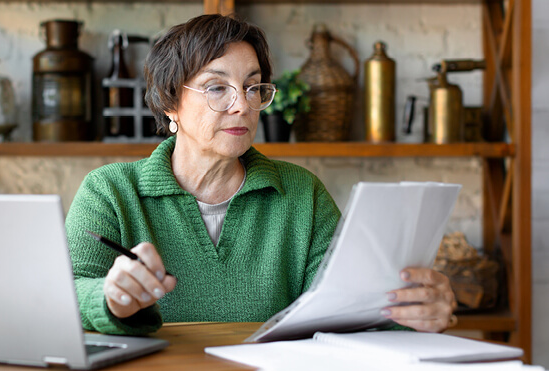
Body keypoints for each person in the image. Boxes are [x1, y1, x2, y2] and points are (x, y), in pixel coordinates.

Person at [65, 14, 456, 336]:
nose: (243, 106)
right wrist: (109, 297)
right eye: (217, 87)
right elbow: (65, 295)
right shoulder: (110, 191)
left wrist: (415, 314)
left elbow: (350, 310)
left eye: (253, 87)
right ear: (170, 103)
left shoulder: (302, 193)